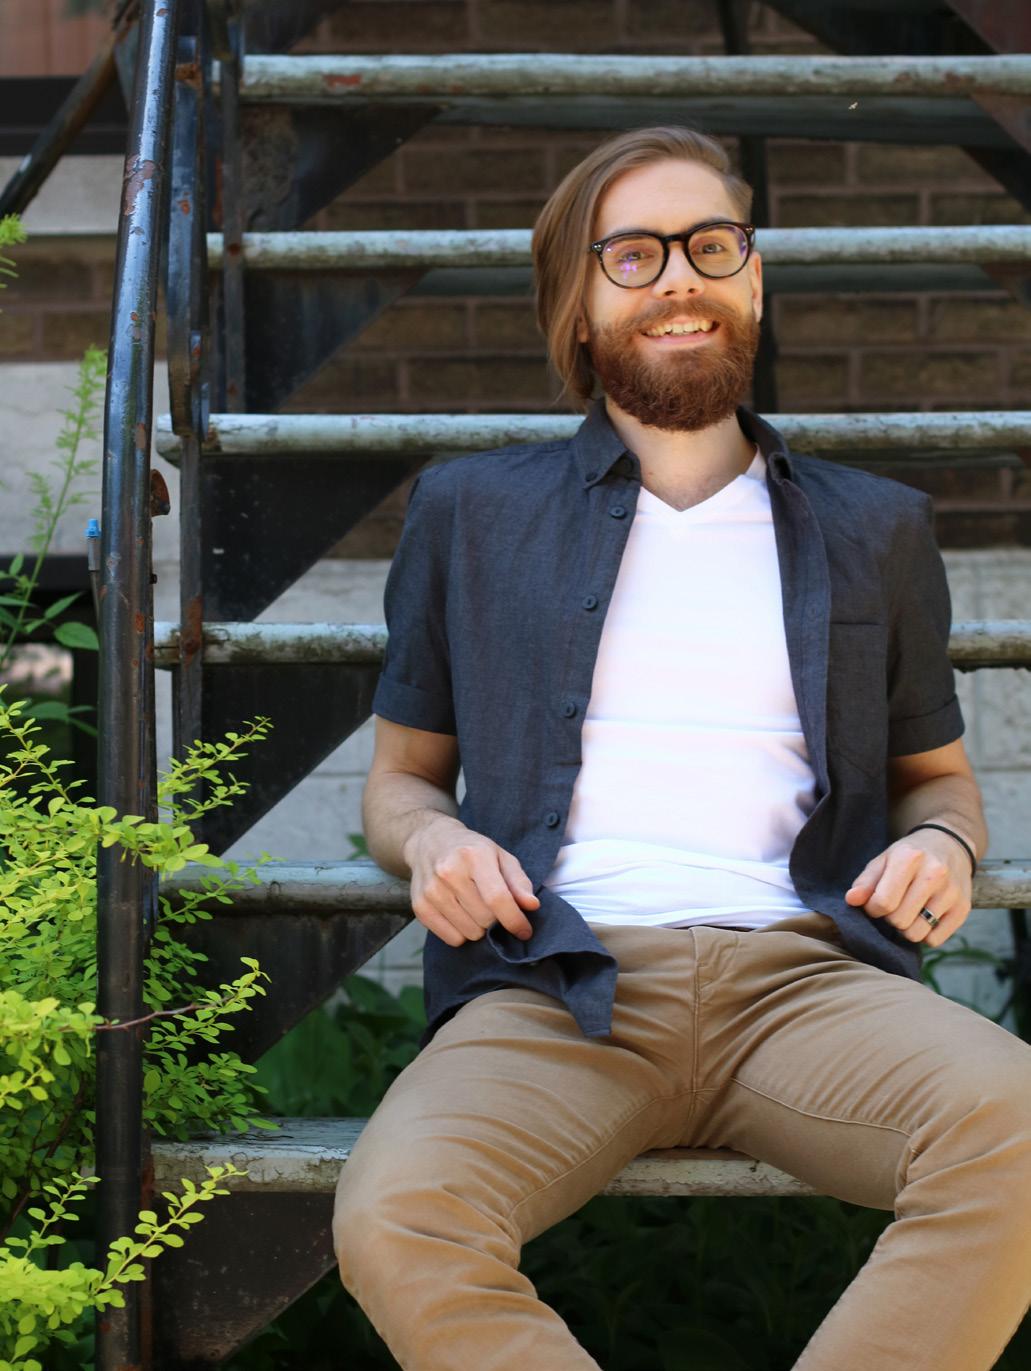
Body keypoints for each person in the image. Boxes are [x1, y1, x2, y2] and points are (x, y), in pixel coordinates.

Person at [332, 126, 1031, 1371]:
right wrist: (431, 841)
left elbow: (937, 783)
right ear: (577, 303)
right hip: (554, 986)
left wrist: (942, 845)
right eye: (633, 254)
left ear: (752, 278)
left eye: (711, 245)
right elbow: (400, 780)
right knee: (400, 1215)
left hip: (805, 984)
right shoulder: (470, 513)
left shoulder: (875, 528)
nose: (678, 278)